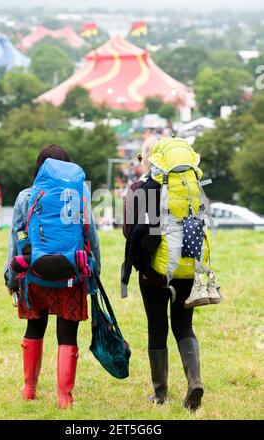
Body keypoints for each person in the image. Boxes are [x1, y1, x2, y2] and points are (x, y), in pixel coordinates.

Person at [4, 144, 101, 409]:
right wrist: (94, 274)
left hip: (34, 274)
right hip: (71, 274)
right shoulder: (79, 194)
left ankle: (29, 389)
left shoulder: (27, 195)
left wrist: (11, 277)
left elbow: (15, 238)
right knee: (67, 332)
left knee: (35, 327)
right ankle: (64, 399)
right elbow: (90, 236)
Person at [122, 136, 204, 411]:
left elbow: (130, 231)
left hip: (153, 273)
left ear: (148, 159)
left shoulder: (140, 189)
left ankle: (160, 394)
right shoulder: (189, 185)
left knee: (157, 327)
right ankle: (194, 380)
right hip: (186, 265)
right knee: (184, 325)